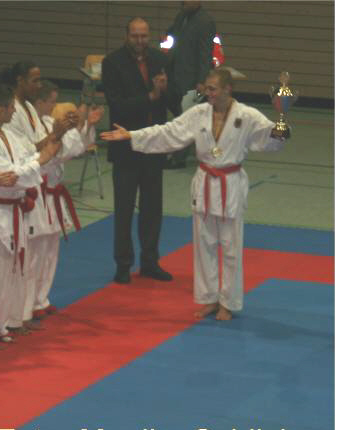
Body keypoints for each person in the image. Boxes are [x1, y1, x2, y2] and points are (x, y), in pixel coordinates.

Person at [101, 68, 288, 321]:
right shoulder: (199, 113)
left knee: (231, 248)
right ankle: (209, 299)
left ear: (227, 89)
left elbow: (271, 141)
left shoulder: (247, 115)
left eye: (212, 89)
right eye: (206, 88)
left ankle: (228, 303)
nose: (207, 92)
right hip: (205, 183)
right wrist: (133, 135)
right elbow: (169, 132)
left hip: (230, 183)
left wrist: (282, 119)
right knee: (204, 246)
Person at [0, 85, 59, 351]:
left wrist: (39, 159)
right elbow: (9, 174)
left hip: (14, 209)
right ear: (0, 109)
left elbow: (25, 159)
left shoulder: (7, 134)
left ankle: (1, 325)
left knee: (11, 272)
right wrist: (39, 161)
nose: (13, 111)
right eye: (10, 107)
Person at [0, 61, 75, 331]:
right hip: (27, 185)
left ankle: (33, 304)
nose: (38, 84)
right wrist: (54, 136)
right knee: (27, 257)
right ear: (20, 81)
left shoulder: (30, 109)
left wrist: (57, 134)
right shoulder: (13, 112)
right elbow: (28, 152)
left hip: (39, 183)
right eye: (34, 80)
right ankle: (18, 313)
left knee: (43, 253)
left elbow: (43, 145)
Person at [102, 16, 175, 285]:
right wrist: (150, 97)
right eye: (135, 35)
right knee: (123, 209)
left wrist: (165, 91)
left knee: (152, 208)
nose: (140, 41)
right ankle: (123, 264)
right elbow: (117, 105)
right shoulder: (113, 63)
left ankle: (150, 262)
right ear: (127, 36)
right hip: (125, 145)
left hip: (154, 145)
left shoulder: (160, 60)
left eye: (144, 36)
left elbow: (173, 101)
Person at [33, 80, 103, 316]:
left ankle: (41, 299)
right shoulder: (33, 127)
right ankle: (27, 305)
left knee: (50, 250)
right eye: (51, 102)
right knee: (36, 252)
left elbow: (73, 149)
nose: (54, 106)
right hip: (38, 194)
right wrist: (66, 131)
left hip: (53, 194)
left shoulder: (48, 123)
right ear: (39, 101)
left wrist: (85, 125)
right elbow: (56, 153)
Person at [165, 1, 216, 168]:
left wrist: (201, 81)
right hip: (174, 74)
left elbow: (205, 53)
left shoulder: (205, 21)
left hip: (191, 79)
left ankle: (179, 159)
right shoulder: (181, 16)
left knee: (185, 118)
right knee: (181, 115)